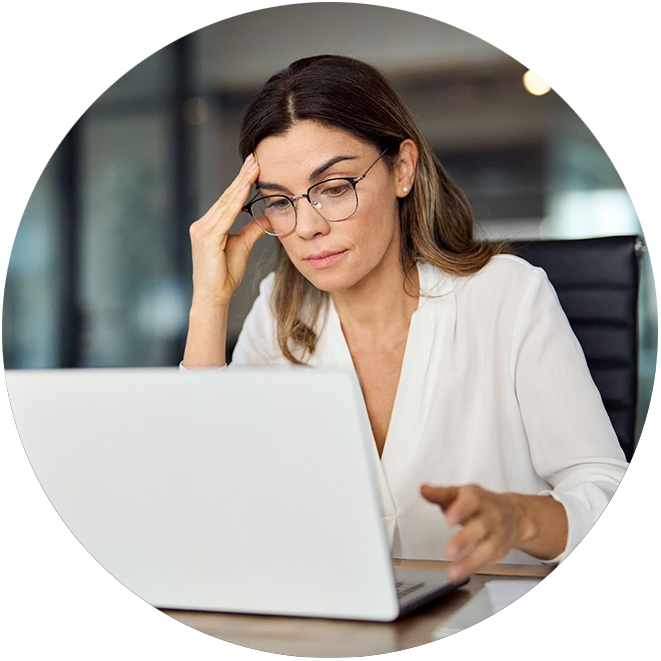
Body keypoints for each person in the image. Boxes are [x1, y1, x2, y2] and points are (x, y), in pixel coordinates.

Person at [180, 54, 628, 583]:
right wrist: (209, 303)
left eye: (334, 187)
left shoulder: (507, 296)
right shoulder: (279, 311)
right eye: (280, 201)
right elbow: (208, 501)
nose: (306, 227)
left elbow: (611, 500)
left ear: (402, 169)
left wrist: (521, 517)